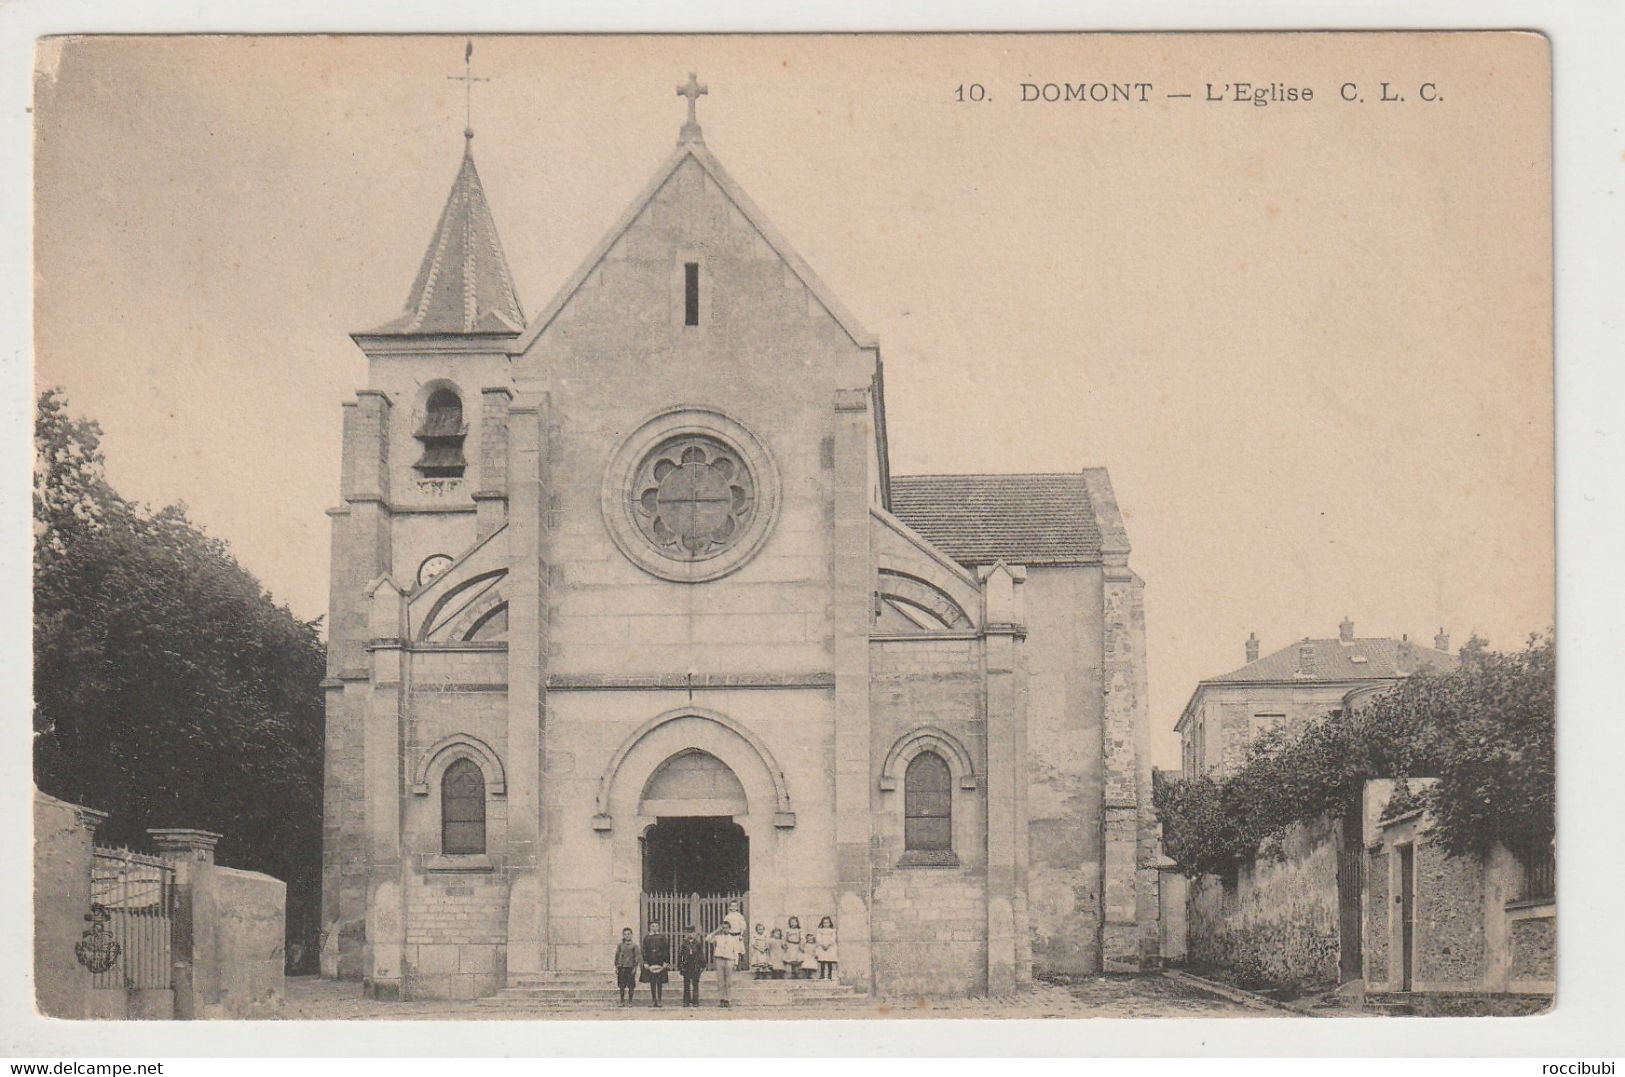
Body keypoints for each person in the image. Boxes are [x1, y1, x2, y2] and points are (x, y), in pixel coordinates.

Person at [708, 910, 745, 1008]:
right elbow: (707, 939)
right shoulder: (718, 937)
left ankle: (728, 999)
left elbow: (736, 951)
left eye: (726, 928)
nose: (725, 929)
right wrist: (716, 931)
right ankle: (722, 999)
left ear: (730, 928)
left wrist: (736, 963)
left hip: (729, 960)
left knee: (728, 981)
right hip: (719, 959)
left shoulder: (733, 939)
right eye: (723, 928)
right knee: (720, 981)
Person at [640, 920, 671, 1008]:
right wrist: (645, 962)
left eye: (656, 926)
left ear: (659, 927)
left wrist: (666, 962)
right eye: (652, 926)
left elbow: (666, 950)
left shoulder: (662, 937)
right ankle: (654, 1000)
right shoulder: (647, 938)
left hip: (660, 962)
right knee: (652, 982)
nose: (654, 928)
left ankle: (660, 999)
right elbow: (644, 951)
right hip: (651, 962)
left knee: (659, 982)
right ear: (650, 927)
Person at [676, 924, 707, 1008]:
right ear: (686, 934)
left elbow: (701, 955)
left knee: (695, 984)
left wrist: (703, 965)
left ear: (695, 934)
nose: (690, 935)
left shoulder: (697, 943)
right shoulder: (684, 944)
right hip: (686, 966)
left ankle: (695, 1001)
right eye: (688, 933)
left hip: (695, 966)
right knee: (686, 984)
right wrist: (680, 965)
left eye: (692, 933)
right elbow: (680, 955)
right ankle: (686, 1001)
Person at [613, 926, 640, 1006]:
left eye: (628, 934)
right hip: (622, 967)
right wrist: (617, 967)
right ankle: (622, 1001)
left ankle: (630, 1002)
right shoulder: (620, 945)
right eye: (625, 934)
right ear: (623, 935)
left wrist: (635, 968)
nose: (627, 936)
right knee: (621, 985)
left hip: (630, 967)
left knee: (631, 985)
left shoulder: (634, 946)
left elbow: (637, 957)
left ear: (631, 935)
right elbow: (617, 956)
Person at [815, 915, 838, 980]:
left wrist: (828, 945)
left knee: (829, 961)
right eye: (824, 923)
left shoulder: (832, 930)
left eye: (827, 922)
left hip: (830, 947)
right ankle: (822, 975)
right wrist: (822, 944)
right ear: (822, 923)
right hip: (822, 947)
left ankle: (829, 975)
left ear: (830, 923)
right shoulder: (820, 931)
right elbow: (818, 938)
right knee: (822, 961)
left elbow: (833, 938)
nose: (826, 924)